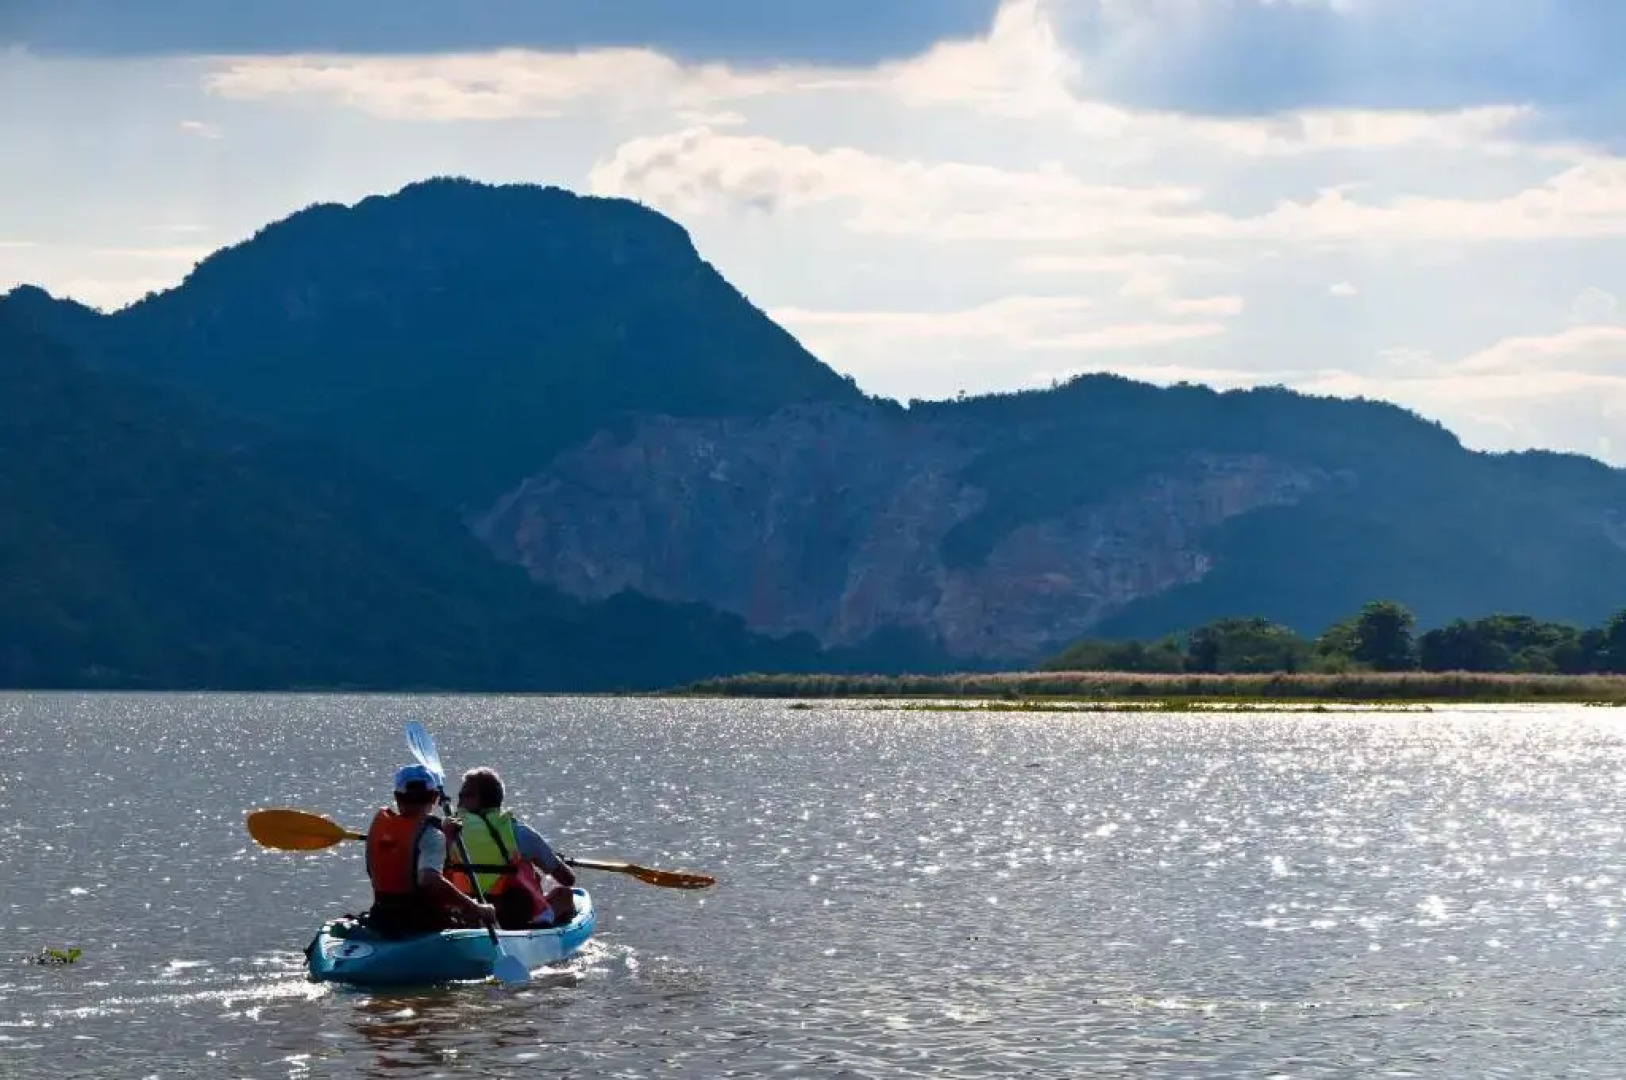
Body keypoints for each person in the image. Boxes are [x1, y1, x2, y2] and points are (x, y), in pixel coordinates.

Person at [363, 764, 496, 938]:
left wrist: (446, 839)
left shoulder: (379, 829)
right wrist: (475, 907)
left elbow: (400, 866)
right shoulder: (432, 834)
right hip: (420, 923)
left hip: (380, 918)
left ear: (397, 797)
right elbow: (429, 880)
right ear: (434, 798)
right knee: (473, 917)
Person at [444, 766, 577, 930]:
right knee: (565, 895)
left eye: (463, 795)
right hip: (511, 913)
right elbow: (568, 879)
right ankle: (548, 930)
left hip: (463, 909)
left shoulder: (449, 831)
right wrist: (556, 861)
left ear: (473, 799)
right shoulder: (519, 832)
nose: (459, 801)